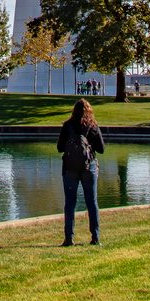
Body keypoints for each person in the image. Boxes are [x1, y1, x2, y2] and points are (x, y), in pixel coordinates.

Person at [56, 97, 104, 246]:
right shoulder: (93, 126)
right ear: (89, 111)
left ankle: (69, 238)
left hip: (70, 168)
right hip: (89, 168)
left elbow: (59, 148)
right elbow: (102, 149)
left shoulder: (67, 125)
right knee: (92, 202)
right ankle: (95, 237)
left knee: (70, 203)